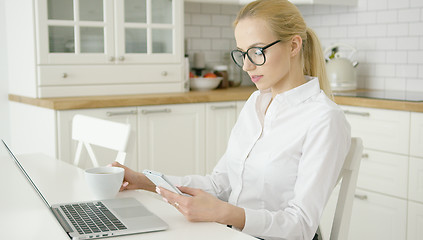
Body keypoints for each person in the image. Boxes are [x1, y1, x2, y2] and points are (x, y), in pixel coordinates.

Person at [112, 0, 351, 239]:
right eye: (243, 53)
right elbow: (220, 184)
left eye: (257, 52)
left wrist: (226, 213)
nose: (246, 66)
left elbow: (301, 226)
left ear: (294, 45)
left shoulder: (324, 119)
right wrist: (142, 181)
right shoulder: (255, 104)